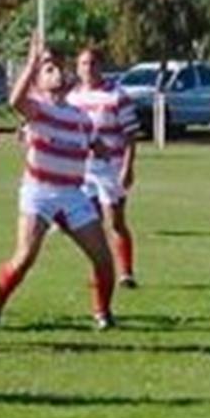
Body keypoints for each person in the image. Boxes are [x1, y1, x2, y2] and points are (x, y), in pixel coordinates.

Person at [0, 34, 118, 332]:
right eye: (48, 69)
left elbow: (97, 145)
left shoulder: (81, 117)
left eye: (57, 67)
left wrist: (108, 151)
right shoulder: (39, 109)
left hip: (73, 195)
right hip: (39, 193)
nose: (56, 72)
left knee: (104, 259)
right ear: (38, 82)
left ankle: (103, 314)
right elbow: (15, 100)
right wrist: (30, 64)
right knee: (25, 257)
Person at [67, 45, 141, 288]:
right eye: (84, 64)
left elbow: (130, 135)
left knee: (116, 221)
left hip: (111, 167)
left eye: (93, 63)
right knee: (91, 223)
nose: (88, 69)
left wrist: (127, 167)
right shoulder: (72, 98)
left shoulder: (117, 96)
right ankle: (99, 270)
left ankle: (126, 272)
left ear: (101, 66)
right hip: (83, 170)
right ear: (77, 68)